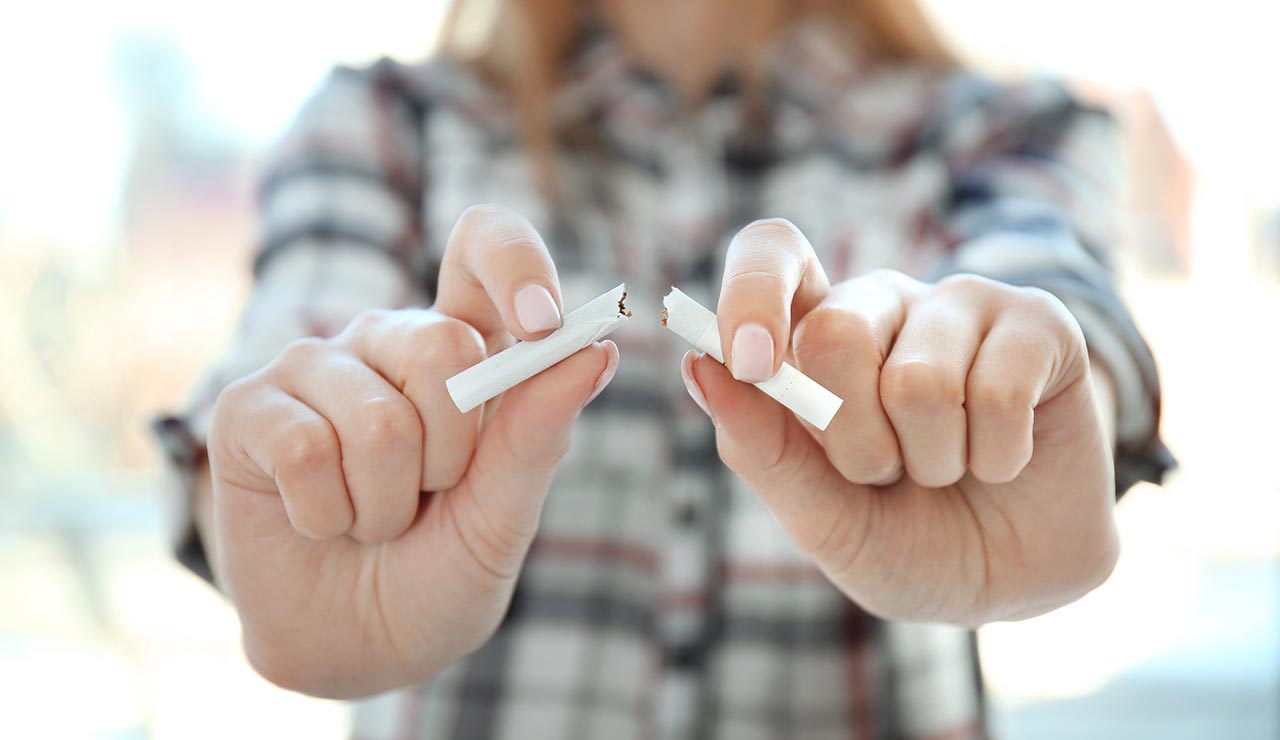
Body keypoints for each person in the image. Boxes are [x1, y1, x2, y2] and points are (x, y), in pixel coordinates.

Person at [153, 0, 1173, 737]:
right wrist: (289, 506)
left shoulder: (997, 132)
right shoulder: (383, 124)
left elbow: (1054, 296)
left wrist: (1041, 403)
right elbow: (281, 386)